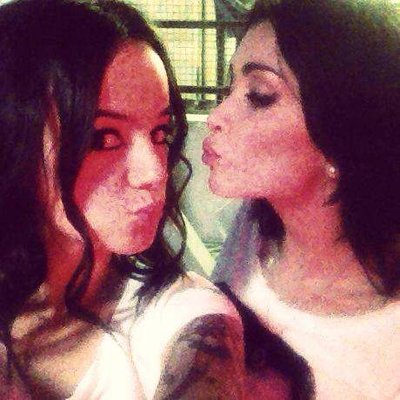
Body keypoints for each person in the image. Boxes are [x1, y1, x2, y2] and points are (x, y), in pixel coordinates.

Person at [0, 0, 246, 398]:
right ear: (15, 139)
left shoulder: (184, 316)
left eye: (160, 133)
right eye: (104, 137)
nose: (154, 173)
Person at [203, 0, 400, 398]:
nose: (215, 116)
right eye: (230, 87)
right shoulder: (253, 224)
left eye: (259, 95)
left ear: (339, 135)